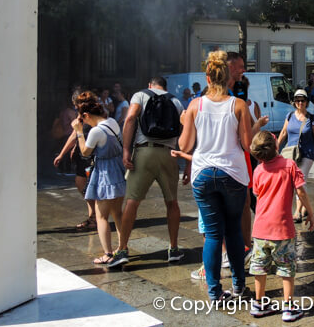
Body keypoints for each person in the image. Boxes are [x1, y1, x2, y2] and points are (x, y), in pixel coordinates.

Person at [174, 51, 253, 300]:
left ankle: (215, 292)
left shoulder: (195, 105)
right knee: (234, 231)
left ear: (208, 78)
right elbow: (247, 144)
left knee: (212, 234)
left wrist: (185, 121)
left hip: (203, 173)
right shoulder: (238, 105)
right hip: (233, 172)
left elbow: (185, 146)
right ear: (227, 76)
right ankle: (239, 287)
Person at [109, 76, 184, 267]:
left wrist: (126, 150)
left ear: (150, 85)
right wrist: (186, 160)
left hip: (144, 151)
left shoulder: (141, 95)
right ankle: (174, 249)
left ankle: (123, 249)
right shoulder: (176, 101)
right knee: (172, 202)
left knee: (132, 202)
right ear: (165, 87)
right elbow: (185, 130)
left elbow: (131, 117)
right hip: (169, 154)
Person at [248, 131, 314, 322]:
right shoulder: (289, 165)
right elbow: (301, 191)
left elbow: (258, 195)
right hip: (282, 229)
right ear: (276, 146)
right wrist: (309, 212)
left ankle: (259, 304)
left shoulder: (259, 170)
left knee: (259, 268)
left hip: (260, 229)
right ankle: (288, 307)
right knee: (286, 269)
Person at [71, 91, 126, 265]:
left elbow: (85, 152)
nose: (83, 122)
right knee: (117, 213)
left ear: (86, 115)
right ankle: (122, 248)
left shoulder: (95, 132)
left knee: (101, 216)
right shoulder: (111, 122)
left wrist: (79, 132)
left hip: (105, 173)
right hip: (119, 171)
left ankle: (108, 254)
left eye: (82, 118)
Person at [278, 89, 314, 222]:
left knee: (299, 179)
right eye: (297, 100)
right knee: (294, 181)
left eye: (302, 100)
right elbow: (283, 133)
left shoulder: (311, 118)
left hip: (307, 153)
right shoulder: (289, 116)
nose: (300, 103)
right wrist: (275, 148)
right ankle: (305, 206)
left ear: (307, 102)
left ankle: (297, 211)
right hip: (291, 154)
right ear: (294, 102)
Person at [52, 88, 95, 230]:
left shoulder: (93, 115)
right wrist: (62, 153)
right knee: (84, 187)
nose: (75, 107)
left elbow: (80, 134)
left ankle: (95, 218)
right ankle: (93, 218)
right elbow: (74, 135)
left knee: (87, 187)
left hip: (91, 156)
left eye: (76, 104)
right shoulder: (81, 116)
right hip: (82, 156)